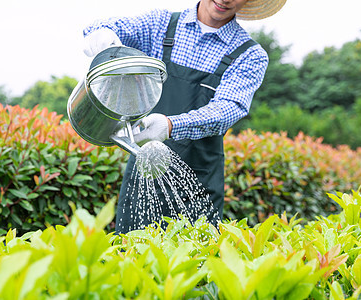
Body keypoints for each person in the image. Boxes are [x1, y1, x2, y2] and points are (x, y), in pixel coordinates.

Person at [82, 0, 287, 233]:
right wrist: (103, 34)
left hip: (198, 185)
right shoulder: (161, 25)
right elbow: (110, 26)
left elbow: (227, 108)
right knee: (130, 258)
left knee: (194, 262)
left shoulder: (249, 54)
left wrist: (170, 125)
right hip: (144, 174)